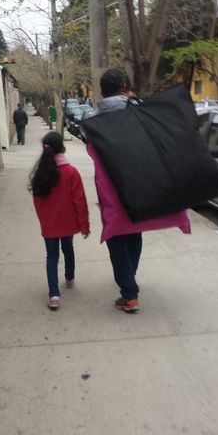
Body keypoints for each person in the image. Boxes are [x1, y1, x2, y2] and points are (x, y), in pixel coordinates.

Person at [83, 69, 190, 313]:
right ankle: (128, 277)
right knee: (134, 230)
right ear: (124, 86)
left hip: (109, 186)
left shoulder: (92, 118)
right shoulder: (139, 109)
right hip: (141, 181)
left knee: (116, 233)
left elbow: (87, 140)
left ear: (102, 90)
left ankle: (129, 292)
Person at [29, 131, 90, 309]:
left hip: (49, 224)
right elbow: (80, 201)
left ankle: (54, 295)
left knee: (52, 257)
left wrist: (44, 219)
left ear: (44, 149)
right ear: (62, 148)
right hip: (67, 223)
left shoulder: (40, 174)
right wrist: (84, 225)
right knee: (68, 248)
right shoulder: (71, 172)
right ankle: (69, 278)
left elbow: (37, 201)